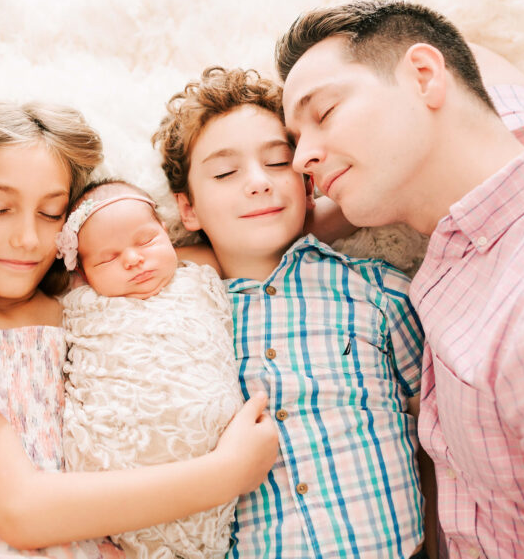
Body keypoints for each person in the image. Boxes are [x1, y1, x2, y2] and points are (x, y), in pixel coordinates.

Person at [276, 0, 524, 559]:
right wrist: (330, 200)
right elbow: (474, 59)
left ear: (425, 76)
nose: (302, 158)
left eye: (324, 112)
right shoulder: (516, 149)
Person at [0, 102, 278, 559]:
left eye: (51, 213)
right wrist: (228, 472)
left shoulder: (86, 300)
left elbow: (221, 251)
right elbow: (19, 510)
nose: (27, 238)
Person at [152, 66, 427, 559]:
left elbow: (440, 431)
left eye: (278, 162)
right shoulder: (179, 322)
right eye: (224, 172)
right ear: (187, 209)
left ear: (308, 183)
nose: (258, 183)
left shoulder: (375, 290)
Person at [58, 179, 243, 559]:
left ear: (167, 235)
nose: (132, 259)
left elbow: (246, 243)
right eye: (107, 258)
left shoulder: (195, 271)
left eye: (146, 241)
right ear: (83, 274)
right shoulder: (82, 302)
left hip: (210, 464)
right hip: (120, 481)